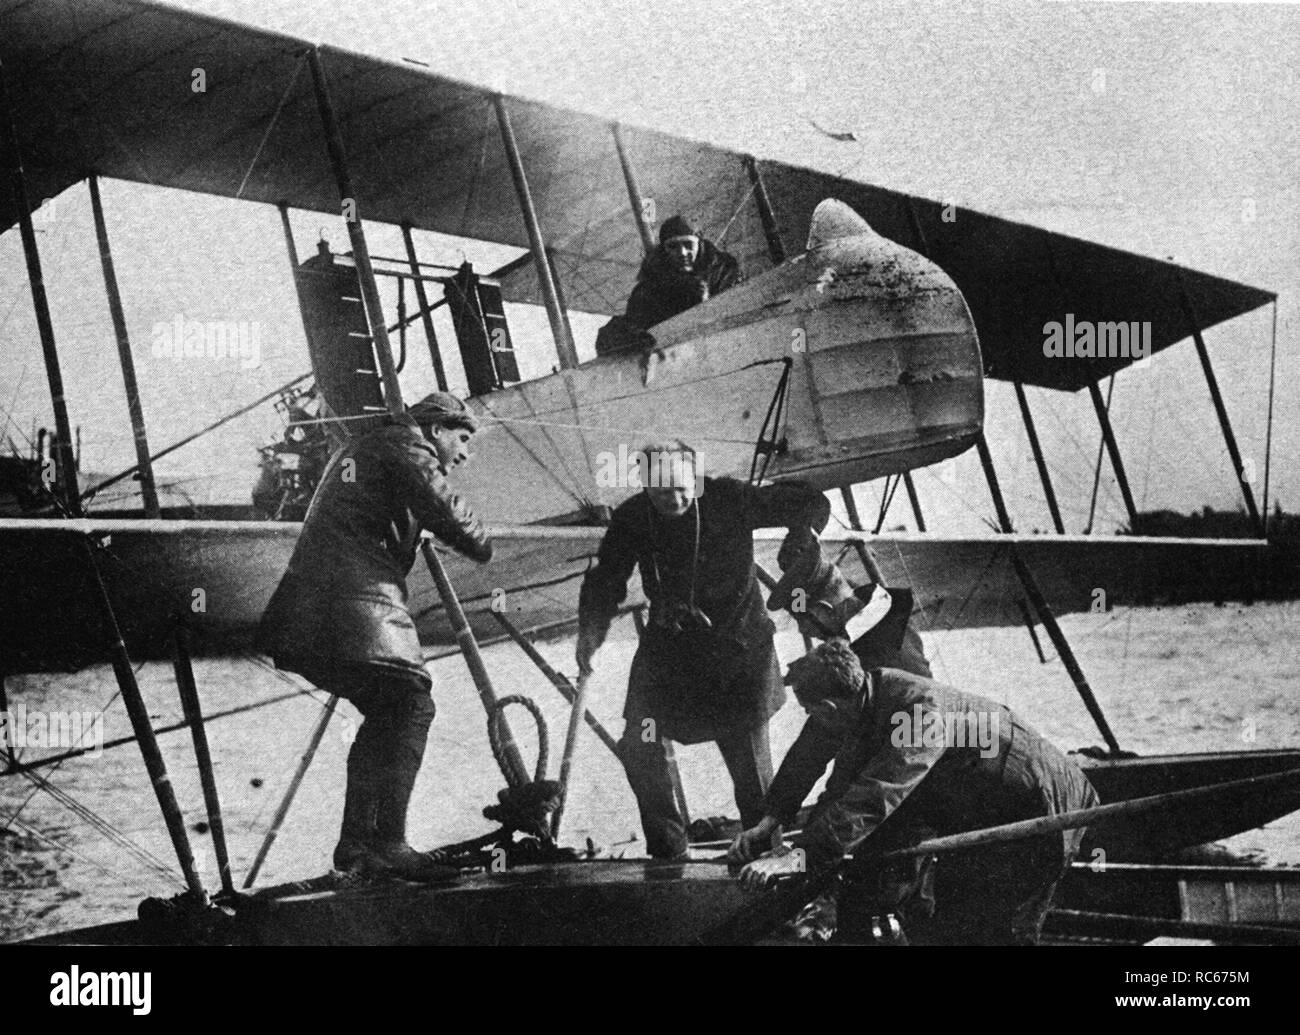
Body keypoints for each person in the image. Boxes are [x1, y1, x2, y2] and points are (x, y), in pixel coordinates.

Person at [256, 391, 493, 882]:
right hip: (348, 603)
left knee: (388, 710)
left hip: (312, 612)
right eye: (462, 437)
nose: (465, 453)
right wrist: (482, 538)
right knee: (411, 705)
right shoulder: (406, 447)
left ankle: (358, 846)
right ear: (434, 430)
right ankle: (387, 844)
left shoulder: (370, 448)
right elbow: (461, 526)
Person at [728, 641, 1099, 945]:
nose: (815, 720)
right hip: (978, 804)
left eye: (813, 711)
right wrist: (769, 821)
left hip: (1043, 811)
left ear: (828, 706)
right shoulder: (863, 695)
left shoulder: (919, 715)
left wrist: (797, 858)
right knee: (943, 922)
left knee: (997, 932)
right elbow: (809, 753)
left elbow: (876, 795)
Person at [576, 442, 830, 858]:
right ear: (644, 485)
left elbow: (810, 501)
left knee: (749, 767)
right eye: (661, 493)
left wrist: (802, 538)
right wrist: (590, 634)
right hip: (670, 656)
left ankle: (766, 856)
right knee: (641, 742)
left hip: (738, 653)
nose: (674, 500)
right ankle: (669, 851)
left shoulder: (730, 499)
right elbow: (607, 579)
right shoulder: (633, 518)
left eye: (682, 488)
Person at [595, 215, 741, 355]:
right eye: (673, 246)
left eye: (688, 244)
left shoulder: (724, 272)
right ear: (664, 250)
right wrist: (634, 339)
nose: (683, 252)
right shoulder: (649, 289)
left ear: (700, 243)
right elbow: (616, 334)